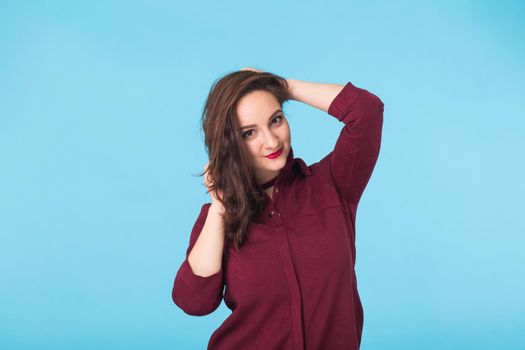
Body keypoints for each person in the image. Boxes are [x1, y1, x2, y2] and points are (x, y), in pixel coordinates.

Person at [171, 67, 384, 350]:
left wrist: (283, 86)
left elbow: (366, 111)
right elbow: (194, 302)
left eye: (275, 120)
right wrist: (220, 209)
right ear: (230, 144)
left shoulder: (332, 183)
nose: (271, 141)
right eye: (249, 133)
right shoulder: (216, 218)